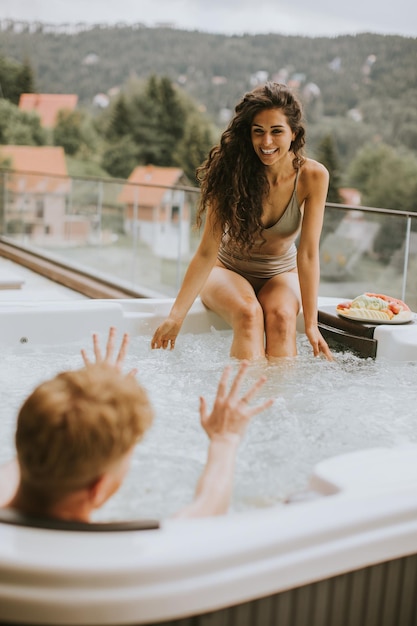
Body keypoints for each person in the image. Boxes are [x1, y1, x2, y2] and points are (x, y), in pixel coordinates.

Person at [0, 327, 273, 522]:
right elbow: (207, 509)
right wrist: (224, 440)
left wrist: (98, 390)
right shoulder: (125, 558)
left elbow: (36, 445)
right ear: (99, 489)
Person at [151, 82, 333, 361]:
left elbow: (308, 254)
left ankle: (280, 402)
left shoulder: (313, 176)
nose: (267, 142)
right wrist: (176, 317)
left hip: (281, 274)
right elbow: (207, 251)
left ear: (293, 134)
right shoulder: (229, 172)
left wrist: (311, 324)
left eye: (276, 131)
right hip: (228, 271)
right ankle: (243, 402)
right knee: (249, 314)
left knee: (283, 317)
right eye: (258, 132)